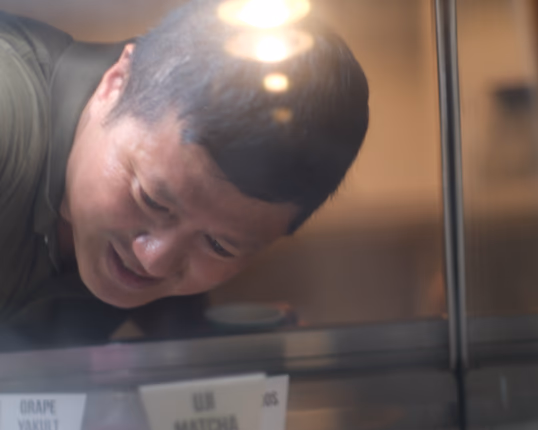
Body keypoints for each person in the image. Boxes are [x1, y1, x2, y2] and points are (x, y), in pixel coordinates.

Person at [0, 0, 369, 348]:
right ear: (115, 84)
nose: (153, 259)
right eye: (150, 199)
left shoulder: (149, 270)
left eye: (219, 246)